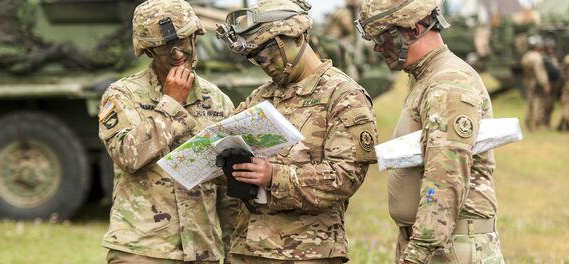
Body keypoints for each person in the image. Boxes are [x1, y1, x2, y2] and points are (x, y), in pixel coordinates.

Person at [215, 0, 378, 262]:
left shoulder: (343, 95)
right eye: (254, 55)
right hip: (247, 249)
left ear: (299, 36)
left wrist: (274, 176)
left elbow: (346, 176)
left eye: (268, 49)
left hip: (306, 252)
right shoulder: (261, 97)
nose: (262, 61)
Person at [356, 0, 504, 263]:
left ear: (414, 28)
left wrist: (418, 253)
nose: (377, 47)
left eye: (383, 37)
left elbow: (445, 179)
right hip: (439, 244)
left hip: (448, 247)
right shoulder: (426, 77)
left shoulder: (447, 83)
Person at [97, 0, 236, 263]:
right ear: (148, 50)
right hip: (142, 249)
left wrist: (233, 253)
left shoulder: (217, 100)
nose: (177, 54)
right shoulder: (122, 95)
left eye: (183, 41)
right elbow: (128, 155)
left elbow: (229, 190)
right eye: (165, 47)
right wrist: (171, 104)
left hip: (202, 250)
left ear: (195, 36)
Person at [521, 35, 551, 131]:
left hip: (528, 81)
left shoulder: (526, 56)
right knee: (537, 102)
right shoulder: (537, 57)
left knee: (530, 102)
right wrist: (545, 84)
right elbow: (540, 72)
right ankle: (536, 123)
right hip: (536, 82)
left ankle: (528, 121)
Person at [557, 39, 569, 131]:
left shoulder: (568, 58)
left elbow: (562, 71)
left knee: (567, 104)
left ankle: (565, 123)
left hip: (568, 84)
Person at [542, 38, 562, 128]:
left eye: (552, 48)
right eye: (549, 48)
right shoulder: (543, 59)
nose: (551, 49)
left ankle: (547, 122)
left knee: (551, 106)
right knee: (546, 105)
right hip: (548, 84)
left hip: (554, 84)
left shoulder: (553, 57)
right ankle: (543, 123)